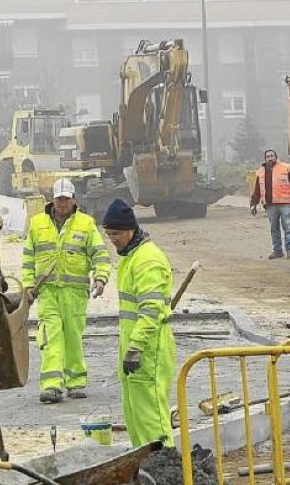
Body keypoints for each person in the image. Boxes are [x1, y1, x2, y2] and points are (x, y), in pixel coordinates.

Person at [23, 178, 111, 403]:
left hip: (74, 292)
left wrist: (100, 278)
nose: (62, 203)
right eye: (59, 199)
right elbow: (28, 258)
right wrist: (28, 286)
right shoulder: (36, 224)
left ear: (74, 200)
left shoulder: (86, 223)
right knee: (51, 337)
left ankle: (75, 382)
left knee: (72, 336)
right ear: (52, 199)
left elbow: (100, 254)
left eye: (66, 199)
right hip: (48, 291)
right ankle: (51, 385)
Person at [101, 198, 176, 448]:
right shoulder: (130, 258)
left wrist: (136, 346)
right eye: (108, 234)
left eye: (115, 234)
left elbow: (151, 310)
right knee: (136, 416)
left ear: (130, 230)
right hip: (134, 347)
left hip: (148, 349)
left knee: (152, 416)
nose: (112, 239)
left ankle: (166, 467)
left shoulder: (147, 261)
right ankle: (144, 466)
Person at [250, 149, 290, 259]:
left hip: (285, 203)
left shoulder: (285, 168)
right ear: (265, 159)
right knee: (274, 228)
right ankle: (278, 250)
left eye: (272, 156)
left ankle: (289, 250)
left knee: (287, 227)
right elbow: (257, 190)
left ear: (276, 157)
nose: (270, 158)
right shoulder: (260, 172)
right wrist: (253, 204)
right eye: (268, 156)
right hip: (270, 205)